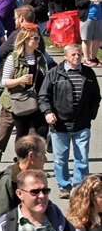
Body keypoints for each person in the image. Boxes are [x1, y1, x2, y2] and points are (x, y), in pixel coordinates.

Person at [38, 43, 101, 198]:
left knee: (82, 158)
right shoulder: (54, 73)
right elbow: (43, 96)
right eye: (73, 54)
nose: (77, 57)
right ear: (65, 56)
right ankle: (64, 186)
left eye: (79, 54)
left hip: (82, 124)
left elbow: (96, 97)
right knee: (60, 159)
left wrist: (90, 115)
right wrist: (48, 112)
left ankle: (80, 188)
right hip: (60, 125)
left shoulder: (88, 73)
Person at [0, 26, 48, 144]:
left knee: (42, 130)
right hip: (20, 101)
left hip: (37, 99)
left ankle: (36, 153)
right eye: (35, 38)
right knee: (22, 133)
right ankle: (22, 154)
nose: (38, 40)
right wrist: (20, 80)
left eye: (38, 37)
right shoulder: (13, 58)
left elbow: (46, 76)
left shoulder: (40, 57)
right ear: (26, 40)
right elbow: (4, 82)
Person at [0, 135, 48, 218]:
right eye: (43, 154)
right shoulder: (9, 180)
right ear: (31, 156)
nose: (46, 159)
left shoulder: (38, 177)